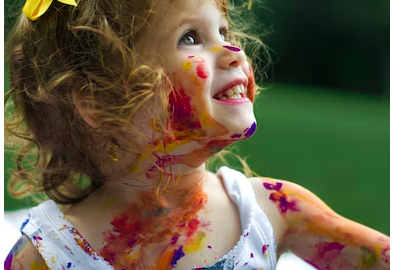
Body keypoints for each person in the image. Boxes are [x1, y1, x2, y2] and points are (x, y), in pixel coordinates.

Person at [4, 0, 390, 269]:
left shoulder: (271, 212)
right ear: (98, 101)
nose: (232, 50)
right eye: (190, 37)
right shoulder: (50, 254)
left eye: (222, 31)